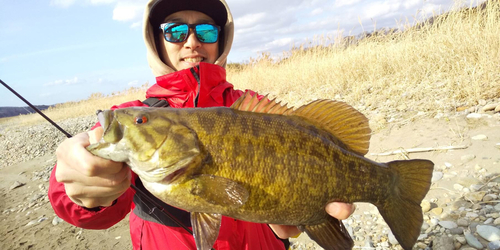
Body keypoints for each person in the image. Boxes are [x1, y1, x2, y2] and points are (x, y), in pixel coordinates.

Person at [48, 0, 355, 249]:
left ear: (221, 40)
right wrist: (82, 189)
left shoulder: (254, 110)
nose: (192, 42)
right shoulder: (133, 117)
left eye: (206, 31)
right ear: (156, 40)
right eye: (176, 31)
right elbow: (80, 195)